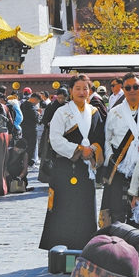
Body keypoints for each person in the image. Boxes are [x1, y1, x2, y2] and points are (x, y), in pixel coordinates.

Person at [40, 74, 104, 251]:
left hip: (86, 168)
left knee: (85, 208)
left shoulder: (94, 112)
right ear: (70, 90)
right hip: (65, 167)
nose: (82, 92)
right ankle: (61, 249)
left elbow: (100, 137)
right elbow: (55, 140)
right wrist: (78, 150)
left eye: (85, 88)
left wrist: (93, 150)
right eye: (78, 88)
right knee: (63, 209)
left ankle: (86, 248)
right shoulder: (62, 112)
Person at [100, 72, 139, 229]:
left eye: (135, 87)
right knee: (118, 212)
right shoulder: (114, 112)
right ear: (123, 89)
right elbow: (106, 138)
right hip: (119, 167)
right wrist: (111, 157)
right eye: (128, 87)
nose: (132, 90)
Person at [38, 88, 69, 184]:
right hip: (51, 133)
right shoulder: (51, 106)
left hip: (66, 133)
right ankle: (49, 178)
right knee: (50, 155)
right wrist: (50, 124)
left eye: (63, 98)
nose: (61, 100)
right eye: (59, 98)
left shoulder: (68, 106)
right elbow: (44, 120)